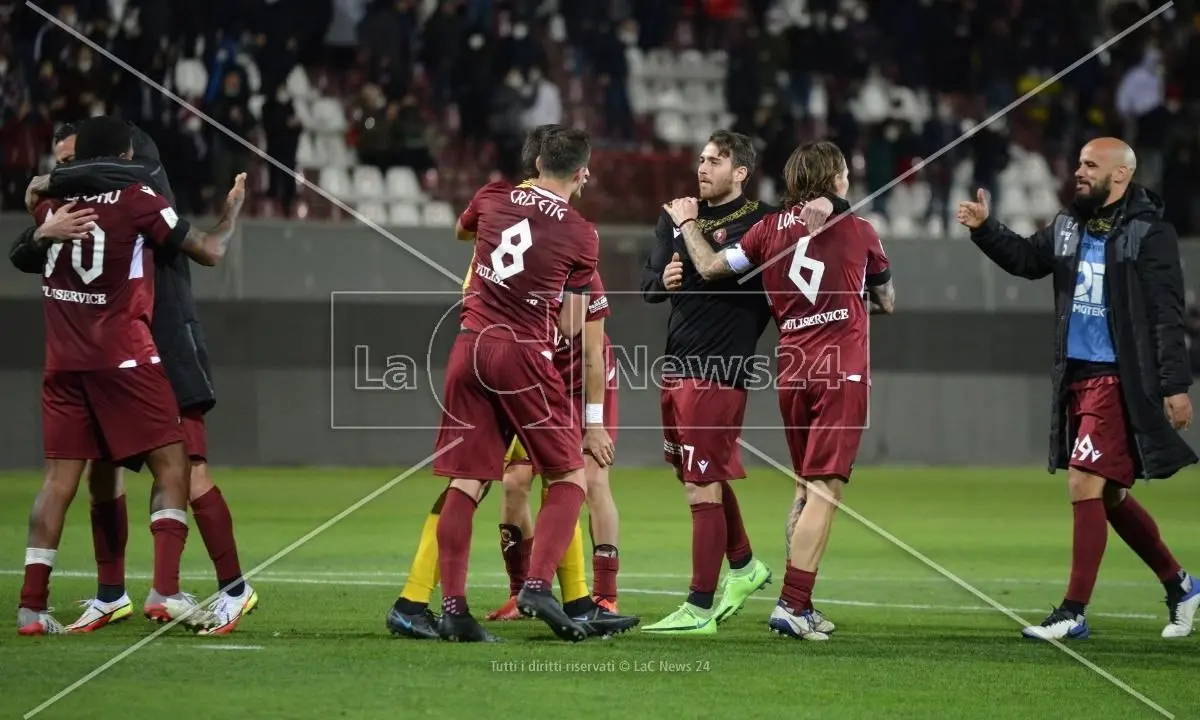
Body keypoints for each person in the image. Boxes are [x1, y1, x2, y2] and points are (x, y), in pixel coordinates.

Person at [10, 122, 258, 635]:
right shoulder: (134, 200)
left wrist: (42, 206)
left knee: (181, 468)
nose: (61, 168)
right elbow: (211, 249)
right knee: (133, 471)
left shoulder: (58, 207)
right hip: (125, 357)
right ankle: (120, 594)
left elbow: (33, 204)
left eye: (69, 158)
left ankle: (228, 589)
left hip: (137, 350)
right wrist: (233, 211)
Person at [387, 127, 632, 639]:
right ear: (583, 172)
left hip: (468, 346)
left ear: (537, 161)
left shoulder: (492, 196)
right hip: (522, 356)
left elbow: (464, 231)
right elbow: (572, 325)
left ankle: (452, 610)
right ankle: (539, 586)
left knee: (467, 483)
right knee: (569, 478)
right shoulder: (582, 234)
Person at [957, 137, 1200, 640]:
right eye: (1079, 164)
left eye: (1091, 165)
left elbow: (1166, 314)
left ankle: (1072, 612)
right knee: (1108, 495)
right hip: (1077, 377)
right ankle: (1181, 585)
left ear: (1121, 175)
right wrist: (986, 229)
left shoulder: (1150, 233)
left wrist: (1176, 385)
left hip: (1120, 379)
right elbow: (1027, 260)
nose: (1079, 173)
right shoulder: (1070, 225)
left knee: (1084, 482)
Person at [664, 140, 894, 640]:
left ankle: (802, 604)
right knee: (824, 493)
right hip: (841, 370)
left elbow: (709, 268)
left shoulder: (766, 231)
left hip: (792, 369)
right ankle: (792, 603)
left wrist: (686, 227)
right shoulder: (858, 229)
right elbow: (887, 297)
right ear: (836, 179)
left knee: (803, 488)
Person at [638, 130, 834, 635]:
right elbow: (648, 286)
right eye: (701, 159)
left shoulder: (763, 222)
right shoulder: (675, 215)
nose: (703, 168)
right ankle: (745, 566)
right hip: (677, 363)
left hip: (720, 367)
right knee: (698, 476)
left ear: (741, 172)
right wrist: (667, 281)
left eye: (715, 161)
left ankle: (699, 608)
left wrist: (826, 204)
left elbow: (821, 205)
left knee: (702, 488)